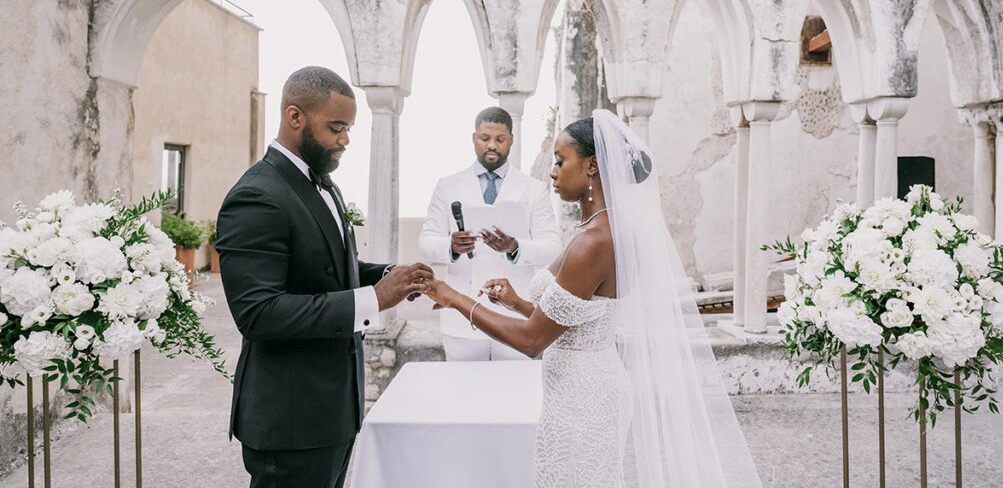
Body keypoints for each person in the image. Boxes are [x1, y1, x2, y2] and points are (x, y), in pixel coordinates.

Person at [424, 110, 763, 487]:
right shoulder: (596, 228)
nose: (553, 172)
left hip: (584, 400)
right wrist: (516, 302)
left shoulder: (594, 242)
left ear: (591, 166)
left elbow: (533, 340)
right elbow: (571, 315)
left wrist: (452, 295)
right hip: (580, 392)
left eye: (560, 160)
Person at [217, 66, 433, 488]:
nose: (345, 140)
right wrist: (374, 299)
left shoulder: (325, 185)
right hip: (290, 420)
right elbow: (260, 313)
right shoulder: (256, 196)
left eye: (349, 128)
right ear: (295, 117)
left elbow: (330, 270)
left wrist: (392, 275)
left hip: (332, 411)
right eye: (336, 127)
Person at [419, 106, 562, 361]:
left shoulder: (534, 189)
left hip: (515, 317)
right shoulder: (448, 185)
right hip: (461, 320)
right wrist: (451, 247)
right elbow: (426, 244)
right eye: (485, 138)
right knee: (464, 395)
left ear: (511, 140)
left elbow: (553, 248)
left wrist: (515, 247)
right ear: (474, 138)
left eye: (500, 139)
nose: (492, 145)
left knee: (515, 394)